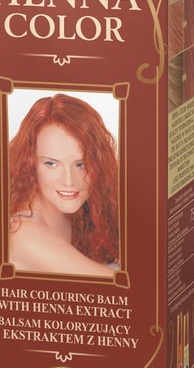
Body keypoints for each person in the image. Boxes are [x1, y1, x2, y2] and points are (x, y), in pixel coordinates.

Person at [8, 93, 119, 276]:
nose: (69, 181)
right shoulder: (24, 236)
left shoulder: (82, 215)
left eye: (81, 164)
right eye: (51, 164)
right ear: (30, 164)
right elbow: (128, 287)